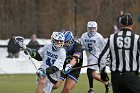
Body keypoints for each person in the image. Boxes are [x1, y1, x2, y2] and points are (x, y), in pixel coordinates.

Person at [98, 13, 140, 93]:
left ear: (120, 24)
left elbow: (102, 58)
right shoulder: (137, 38)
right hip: (132, 77)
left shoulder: (112, 38)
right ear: (133, 24)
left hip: (116, 77)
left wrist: (103, 74)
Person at [80, 21, 111, 93]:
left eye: (93, 28)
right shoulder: (84, 36)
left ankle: (91, 89)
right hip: (89, 56)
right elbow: (81, 45)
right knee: (93, 74)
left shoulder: (99, 37)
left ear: (96, 28)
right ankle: (107, 83)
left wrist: (104, 58)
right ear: (87, 28)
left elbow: (104, 48)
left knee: (89, 70)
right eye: (90, 28)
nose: (92, 30)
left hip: (96, 55)